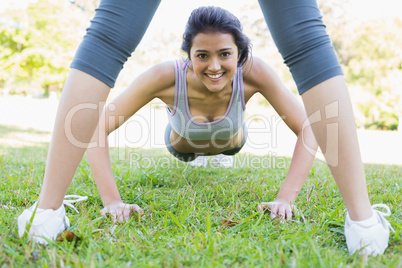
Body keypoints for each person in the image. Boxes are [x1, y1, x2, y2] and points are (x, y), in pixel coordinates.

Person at [17, 0, 392, 256]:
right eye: (202, 56)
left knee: (108, 35)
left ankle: (361, 221)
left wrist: (286, 198)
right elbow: (95, 128)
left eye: (225, 54)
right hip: (181, 144)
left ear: (240, 54)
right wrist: (113, 200)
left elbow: (311, 127)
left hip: (232, 142)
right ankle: (46, 213)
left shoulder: (255, 72)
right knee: (108, 37)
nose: (214, 66)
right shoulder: (166, 76)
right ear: (188, 56)